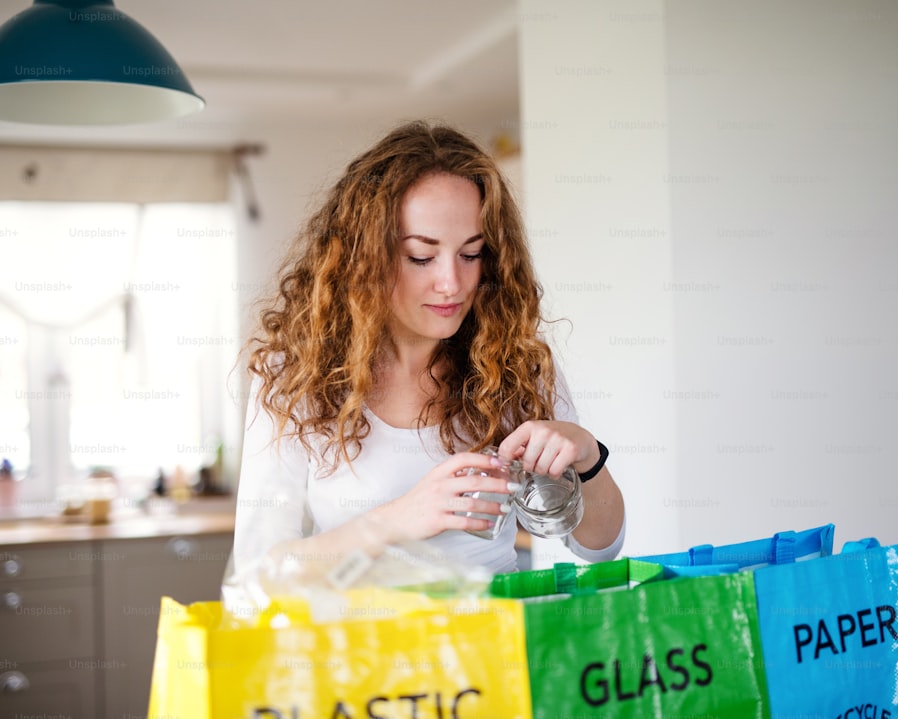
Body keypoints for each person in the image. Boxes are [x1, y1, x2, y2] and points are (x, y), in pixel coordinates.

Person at [231, 120, 625, 579]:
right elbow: (258, 574)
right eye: (421, 256)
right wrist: (399, 518)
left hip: (496, 645)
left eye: (471, 253)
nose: (452, 283)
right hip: (362, 647)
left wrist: (587, 454)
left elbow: (599, 547)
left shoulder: (515, 362)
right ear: (365, 255)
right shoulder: (294, 376)